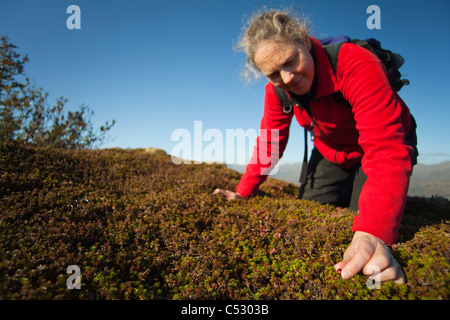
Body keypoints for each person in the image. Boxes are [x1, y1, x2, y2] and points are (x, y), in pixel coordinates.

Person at [213, 9, 419, 284]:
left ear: (305, 41)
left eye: (289, 61)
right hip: (331, 151)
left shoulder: (353, 62)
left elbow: (385, 148)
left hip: (377, 147)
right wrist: (243, 192)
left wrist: (374, 231)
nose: (286, 79)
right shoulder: (277, 91)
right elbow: (270, 143)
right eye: (273, 74)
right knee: (312, 212)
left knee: (364, 227)